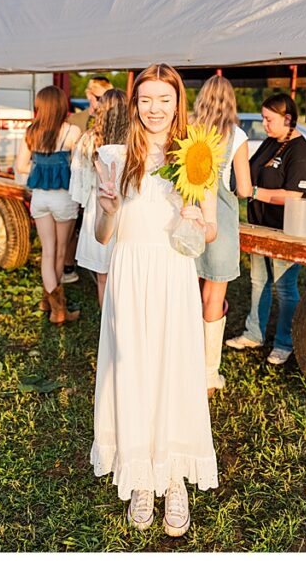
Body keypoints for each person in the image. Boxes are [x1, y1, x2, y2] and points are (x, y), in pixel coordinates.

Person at [91, 63, 218, 538]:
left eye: (164, 99)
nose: (155, 109)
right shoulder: (114, 157)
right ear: (134, 103)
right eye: (146, 99)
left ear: (177, 102)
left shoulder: (195, 156)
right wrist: (108, 210)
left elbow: (210, 231)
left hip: (172, 274)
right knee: (134, 373)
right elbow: (104, 237)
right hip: (129, 275)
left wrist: (194, 220)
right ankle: (141, 476)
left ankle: (174, 477)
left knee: (172, 371)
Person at [225, 93, 306, 365]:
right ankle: (254, 333)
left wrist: (253, 191)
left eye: (269, 119)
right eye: (263, 118)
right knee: (258, 281)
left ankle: (284, 342)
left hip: (286, 229)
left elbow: (294, 196)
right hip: (259, 226)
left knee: (285, 287)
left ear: (287, 119)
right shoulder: (269, 142)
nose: (264, 124)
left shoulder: (300, 152)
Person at [192, 76, 253, 396]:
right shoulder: (237, 136)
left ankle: (181, 362)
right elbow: (243, 188)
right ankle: (207, 375)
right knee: (213, 297)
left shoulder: (188, 129)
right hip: (222, 224)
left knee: (186, 294)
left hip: (187, 221)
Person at [14, 85, 82, 324]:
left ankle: (48, 300)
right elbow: (79, 165)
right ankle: (59, 310)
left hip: (40, 198)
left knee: (47, 252)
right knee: (61, 252)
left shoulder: (31, 132)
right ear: (62, 105)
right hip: (63, 197)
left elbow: (20, 166)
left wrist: (41, 169)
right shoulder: (72, 132)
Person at [70, 87, 128, 308]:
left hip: (98, 208)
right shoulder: (134, 141)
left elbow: (78, 178)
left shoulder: (88, 139)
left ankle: (107, 324)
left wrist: (84, 203)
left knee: (102, 277)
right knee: (124, 276)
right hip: (126, 208)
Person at [63, 75, 116, 282]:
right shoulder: (76, 120)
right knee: (73, 226)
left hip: (101, 188)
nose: (101, 101)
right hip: (83, 182)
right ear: (89, 95)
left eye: (105, 97)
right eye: (98, 97)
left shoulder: (114, 121)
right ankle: (69, 266)